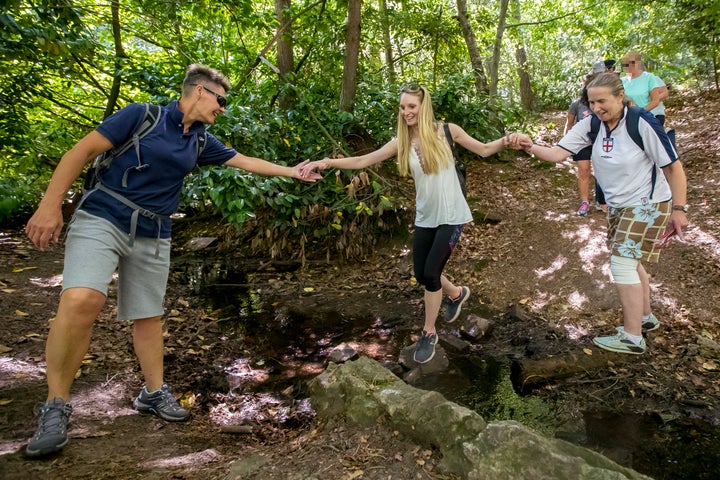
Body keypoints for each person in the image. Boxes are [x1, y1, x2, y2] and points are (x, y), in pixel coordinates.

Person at [22, 63, 322, 457]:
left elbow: (245, 161)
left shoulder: (200, 141)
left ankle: (152, 393)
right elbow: (81, 151)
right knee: (83, 300)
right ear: (198, 91)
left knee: (148, 314)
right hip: (104, 216)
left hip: (154, 230)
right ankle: (56, 406)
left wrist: (293, 172)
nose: (223, 108)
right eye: (221, 100)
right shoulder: (141, 116)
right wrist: (50, 205)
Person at [299, 84, 522, 364]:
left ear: (423, 106)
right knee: (421, 272)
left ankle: (429, 332)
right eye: (403, 107)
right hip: (426, 217)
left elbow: (485, 150)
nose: (406, 112)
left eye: (411, 107)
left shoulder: (447, 131)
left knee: (431, 273)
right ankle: (456, 293)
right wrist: (328, 162)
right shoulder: (401, 142)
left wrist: (507, 140)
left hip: (452, 215)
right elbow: (363, 160)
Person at [516, 72, 688, 355]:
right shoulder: (592, 124)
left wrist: (679, 210)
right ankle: (645, 318)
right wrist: (529, 146)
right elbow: (557, 153)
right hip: (620, 206)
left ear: (620, 96)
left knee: (621, 263)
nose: (596, 108)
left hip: (648, 204)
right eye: (592, 102)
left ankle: (632, 338)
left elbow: (673, 167)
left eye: (602, 101)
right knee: (631, 261)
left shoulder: (642, 122)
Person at [565, 73, 597, 216]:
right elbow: (569, 123)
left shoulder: (601, 103)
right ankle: (584, 201)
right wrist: (567, 143)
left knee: (602, 171)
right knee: (584, 171)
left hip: (599, 141)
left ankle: (603, 199)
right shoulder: (576, 104)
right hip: (581, 142)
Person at [621, 51, 668, 126]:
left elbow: (655, 101)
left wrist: (640, 113)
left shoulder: (649, 77)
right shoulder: (622, 81)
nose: (629, 65)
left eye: (632, 62)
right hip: (628, 119)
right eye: (626, 63)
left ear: (639, 63)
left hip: (649, 117)